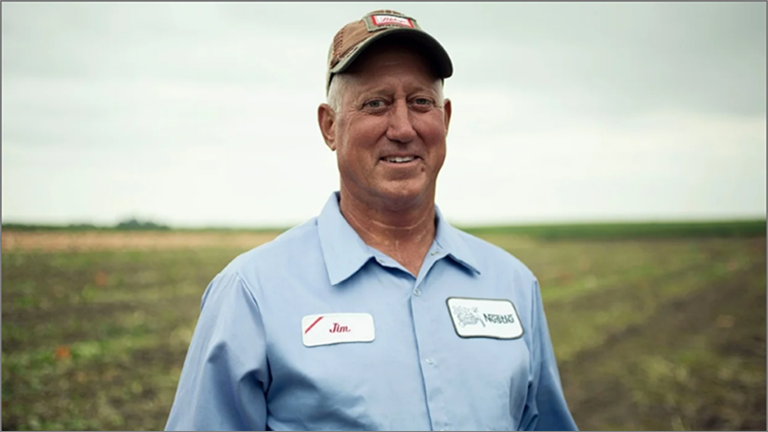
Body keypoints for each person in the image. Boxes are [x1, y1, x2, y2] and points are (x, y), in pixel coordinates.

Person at [165, 9, 577, 431]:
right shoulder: (251, 294)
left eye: (420, 102)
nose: (402, 127)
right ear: (329, 126)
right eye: (375, 104)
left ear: (446, 119)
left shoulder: (512, 285)